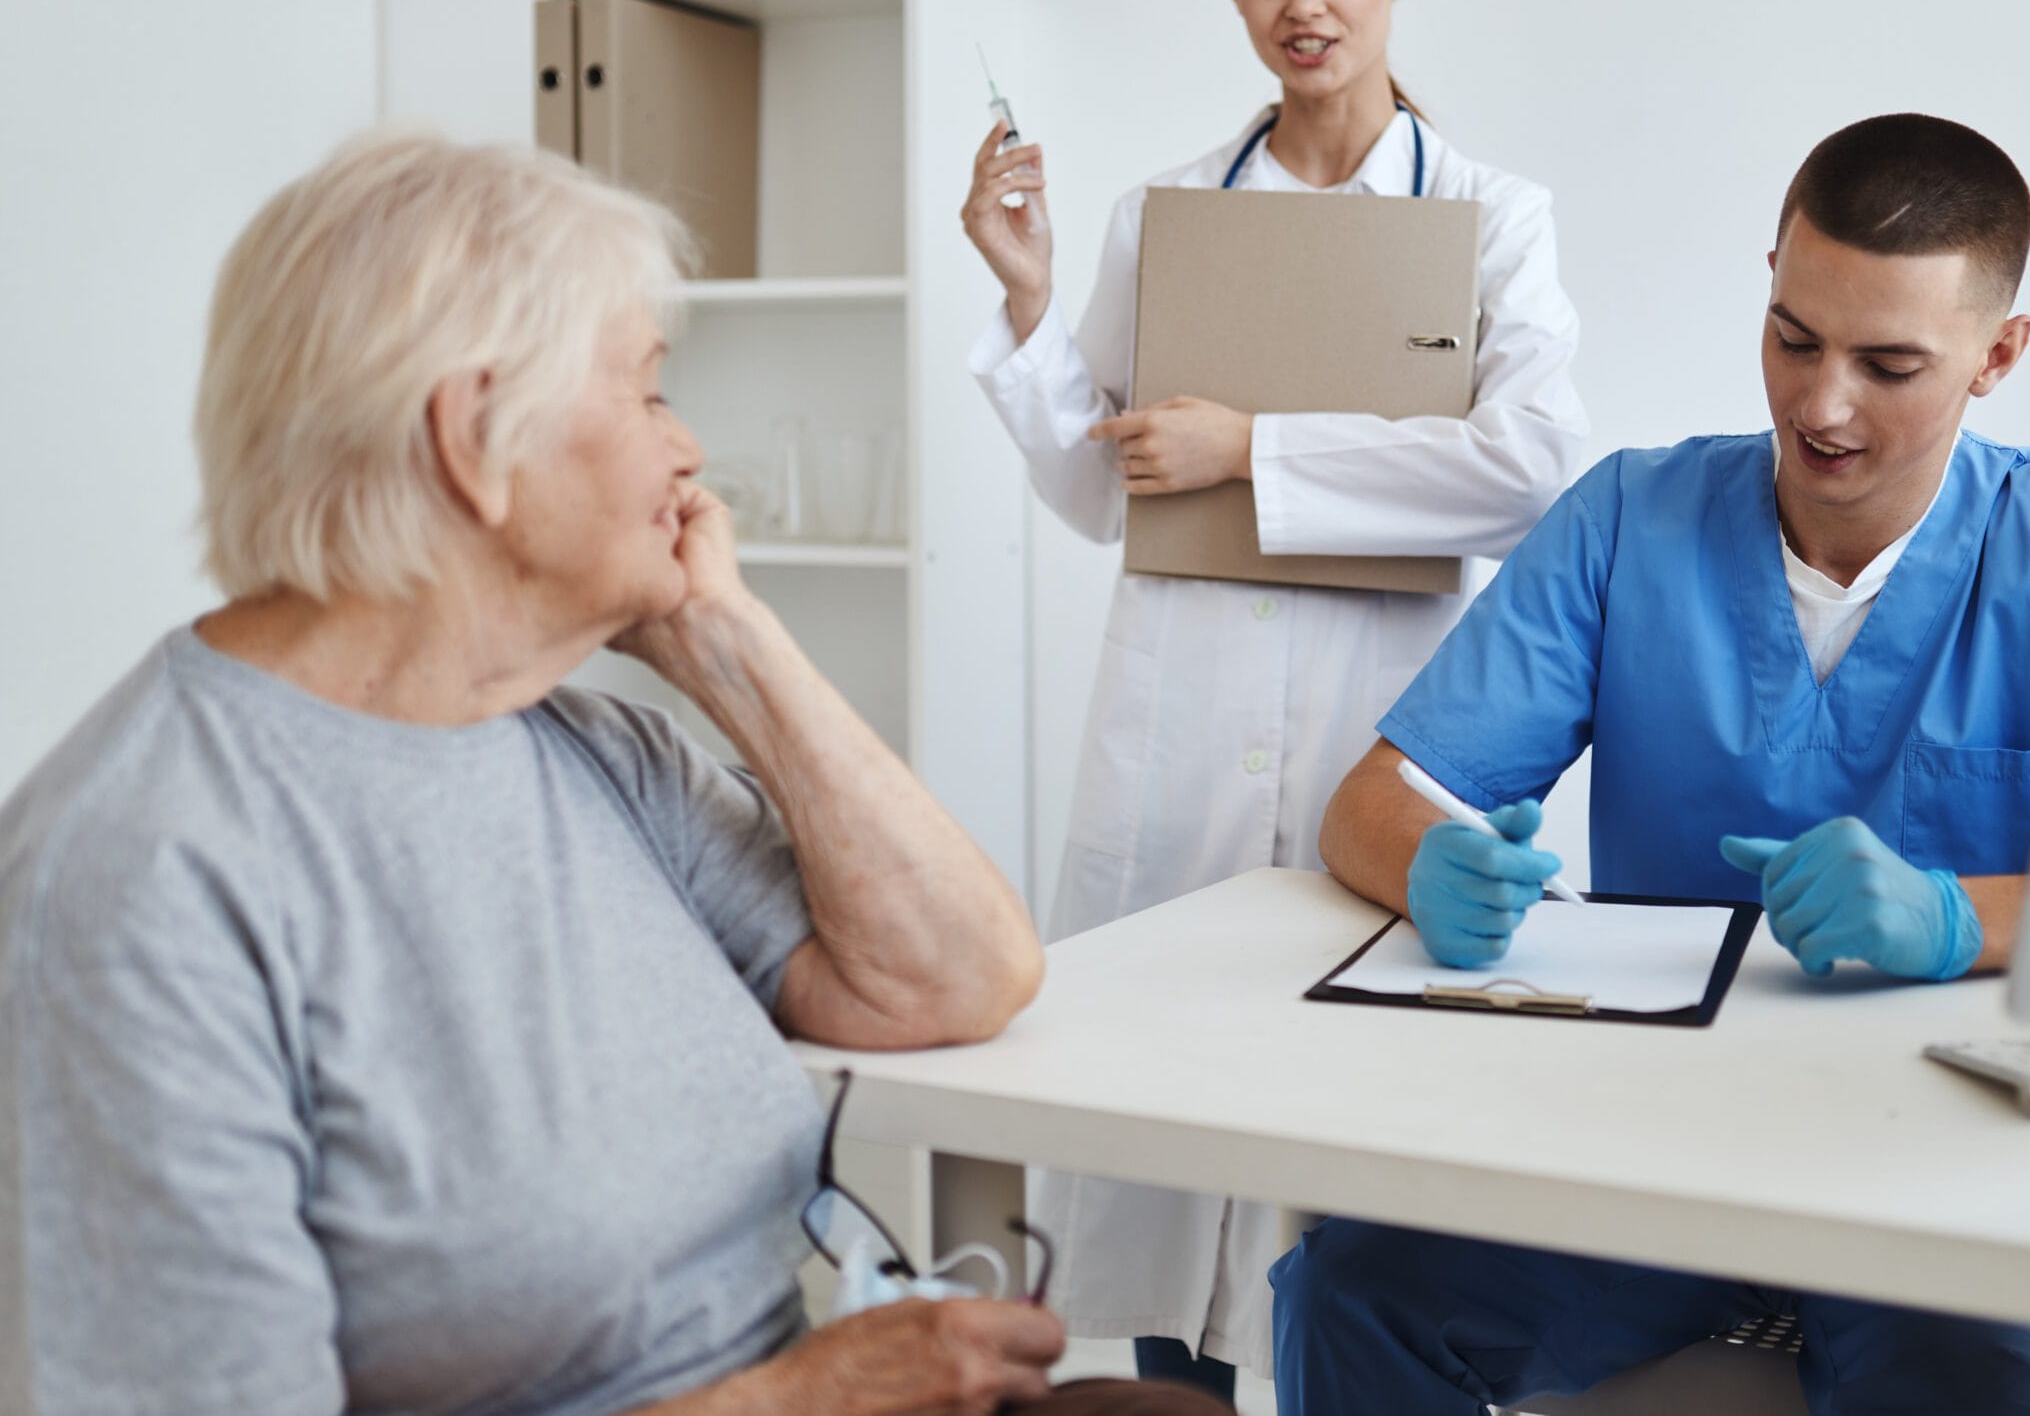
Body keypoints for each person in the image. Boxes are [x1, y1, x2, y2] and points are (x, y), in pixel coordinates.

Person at [0, 132, 1227, 1416]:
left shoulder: (586, 746)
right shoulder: (137, 878)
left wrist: (724, 643)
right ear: (473, 438)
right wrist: (795, 1404)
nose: (688, 449)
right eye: (647, 392)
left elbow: (960, 976)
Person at [1275, 114, 2030, 1414]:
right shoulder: (1630, 518)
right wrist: (1429, 864)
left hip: (1944, 1155)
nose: (1820, 404)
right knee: (1351, 1290)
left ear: (1997, 354)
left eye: (1890, 362)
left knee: (1971, 1386)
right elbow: (1372, 804)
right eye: (1793, 337)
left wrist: (1961, 917)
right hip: (1650, 1136)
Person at [958, 0, 1587, 1398]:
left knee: (1348, 1196)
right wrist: (1032, 299)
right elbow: (1105, 484)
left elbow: (1529, 469)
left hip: (1377, 731)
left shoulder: (1492, 218)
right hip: (1177, 736)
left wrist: (1253, 445)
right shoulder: (1164, 211)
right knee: (1169, 1169)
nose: (1301, 6)